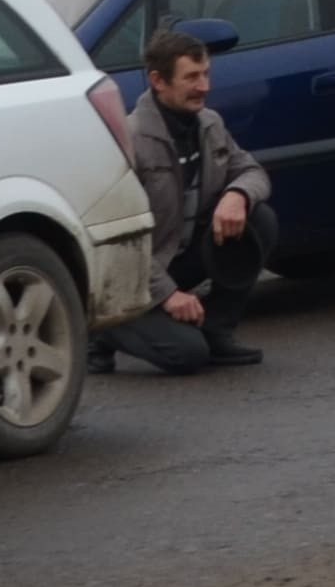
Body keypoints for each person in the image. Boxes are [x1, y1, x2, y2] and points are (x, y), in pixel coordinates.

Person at [101, 26, 270, 374]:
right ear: (158, 81)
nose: (204, 87)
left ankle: (218, 331)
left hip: (179, 256)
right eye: (192, 77)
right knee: (188, 355)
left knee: (261, 219)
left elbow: (254, 172)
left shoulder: (209, 123)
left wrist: (237, 195)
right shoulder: (130, 141)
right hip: (131, 276)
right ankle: (103, 331)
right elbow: (118, 242)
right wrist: (167, 295)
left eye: (206, 74)